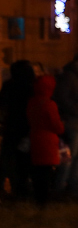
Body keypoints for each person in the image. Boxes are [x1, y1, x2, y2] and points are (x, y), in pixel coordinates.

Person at [53, 52, 78, 197]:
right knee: (69, 157)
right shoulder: (69, 77)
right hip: (74, 124)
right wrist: (75, 111)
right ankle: (59, 187)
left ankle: (74, 185)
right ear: (75, 63)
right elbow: (62, 97)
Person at [27, 74, 64, 207]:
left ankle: (38, 198)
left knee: (37, 171)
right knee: (46, 172)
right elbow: (56, 125)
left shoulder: (32, 101)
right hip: (48, 140)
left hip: (35, 137)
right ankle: (44, 201)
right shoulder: (49, 104)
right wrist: (62, 127)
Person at [0, 59, 35, 198]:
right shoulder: (30, 87)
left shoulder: (10, 85)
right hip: (25, 127)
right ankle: (20, 189)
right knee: (21, 161)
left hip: (12, 127)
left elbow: (2, 104)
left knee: (8, 159)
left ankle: (12, 187)